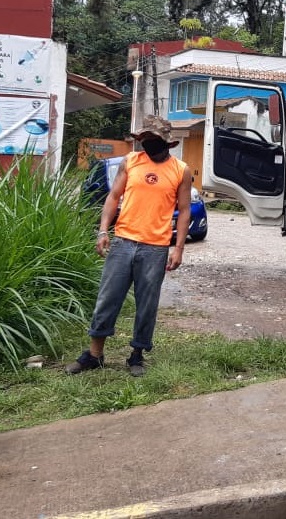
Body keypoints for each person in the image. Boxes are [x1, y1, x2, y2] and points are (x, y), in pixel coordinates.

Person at [65, 115, 191, 377]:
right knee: (107, 299)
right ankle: (94, 354)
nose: (146, 145)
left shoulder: (181, 170)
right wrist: (103, 230)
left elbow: (185, 210)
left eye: (152, 140)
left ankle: (137, 354)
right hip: (123, 242)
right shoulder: (130, 162)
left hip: (155, 248)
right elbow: (113, 197)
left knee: (147, 303)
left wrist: (178, 248)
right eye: (143, 140)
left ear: (166, 142)